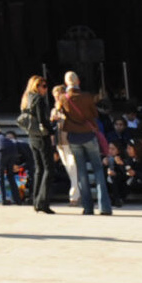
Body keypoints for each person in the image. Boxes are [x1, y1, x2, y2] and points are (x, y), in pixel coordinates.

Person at [52, 71, 111, 216]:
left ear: (66, 84)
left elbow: (59, 114)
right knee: (98, 170)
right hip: (88, 135)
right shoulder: (87, 96)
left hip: (73, 137)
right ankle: (104, 206)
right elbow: (95, 115)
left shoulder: (63, 98)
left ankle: (88, 207)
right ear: (78, 81)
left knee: (82, 173)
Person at [19, 75, 56, 214]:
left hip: (32, 136)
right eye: (44, 86)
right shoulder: (38, 99)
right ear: (37, 86)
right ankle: (43, 202)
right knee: (48, 168)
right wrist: (51, 129)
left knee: (39, 168)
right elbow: (42, 120)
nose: (45, 89)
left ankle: (36, 200)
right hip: (42, 136)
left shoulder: (26, 99)